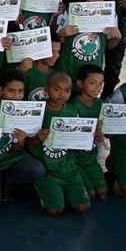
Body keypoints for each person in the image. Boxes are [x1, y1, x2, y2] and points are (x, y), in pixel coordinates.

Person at [0, 68, 46, 209]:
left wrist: (20, 141)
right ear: (1, 90)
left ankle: (9, 179)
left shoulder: (25, 110)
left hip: (11, 157)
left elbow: (17, 148)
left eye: (20, 91)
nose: (17, 96)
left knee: (38, 170)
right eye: (11, 91)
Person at [25, 72, 91, 215]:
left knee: (83, 208)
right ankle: (44, 188)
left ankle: (71, 188)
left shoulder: (72, 111)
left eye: (67, 90)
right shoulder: (37, 112)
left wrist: (89, 136)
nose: (62, 94)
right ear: (46, 89)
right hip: (47, 171)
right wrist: (37, 138)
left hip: (69, 169)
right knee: (56, 210)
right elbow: (25, 146)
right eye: (57, 89)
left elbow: (78, 143)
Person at [56, 0, 122, 93]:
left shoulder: (110, 15)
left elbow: (108, 45)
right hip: (67, 69)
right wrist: (62, 33)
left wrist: (117, 37)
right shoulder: (71, 11)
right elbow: (59, 42)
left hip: (92, 73)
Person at [69, 64, 108, 198]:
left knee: (102, 191)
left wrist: (101, 134)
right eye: (92, 83)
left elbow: (104, 131)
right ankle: (76, 172)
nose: (97, 87)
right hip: (76, 158)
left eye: (100, 83)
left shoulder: (99, 104)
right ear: (80, 83)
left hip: (91, 156)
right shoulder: (74, 105)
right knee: (90, 194)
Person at [20, 31, 61, 101]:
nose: (56, 55)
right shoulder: (24, 70)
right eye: (52, 51)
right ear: (40, 48)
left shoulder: (56, 76)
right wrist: (19, 71)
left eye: (58, 51)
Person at [104, 84, 126, 198]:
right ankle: (115, 164)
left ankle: (115, 167)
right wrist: (109, 129)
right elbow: (106, 110)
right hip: (123, 145)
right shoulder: (124, 91)